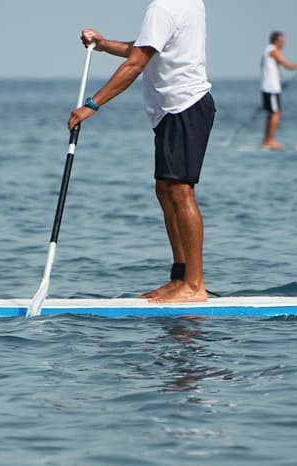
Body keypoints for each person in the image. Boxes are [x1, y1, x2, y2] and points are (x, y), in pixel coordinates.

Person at [68, 0, 215, 303]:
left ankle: (195, 285)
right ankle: (180, 277)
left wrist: (92, 105)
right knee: (165, 189)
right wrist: (104, 44)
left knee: (180, 191)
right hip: (172, 111)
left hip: (184, 106)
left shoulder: (163, 8)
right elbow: (146, 48)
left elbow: (136, 64)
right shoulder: (185, 4)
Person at [260, 31, 297, 150]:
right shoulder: (273, 50)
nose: (283, 44)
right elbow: (287, 65)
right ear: (276, 41)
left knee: (271, 114)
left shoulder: (266, 51)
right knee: (276, 113)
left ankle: (266, 141)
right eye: (282, 41)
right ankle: (270, 141)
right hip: (271, 88)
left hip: (267, 87)